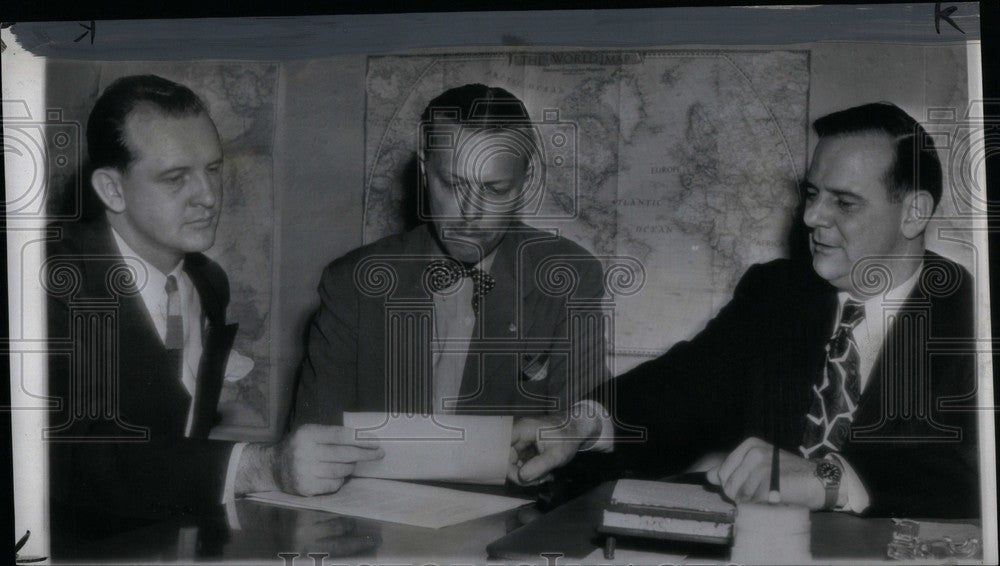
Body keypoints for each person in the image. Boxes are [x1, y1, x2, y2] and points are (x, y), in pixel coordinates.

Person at [510, 102, 980, 518]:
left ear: (914, 211)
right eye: (812, 194)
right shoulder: (776, 293)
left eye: (844, 202)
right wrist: (581, 424)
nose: (811, 217)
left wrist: (829, 479)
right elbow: (682, 387)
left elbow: (968, 473)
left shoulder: (972, 316)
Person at [45, 75, 385, 541]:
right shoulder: (46, 284)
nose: (208, 196)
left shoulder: (207, 282)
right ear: (112, 189)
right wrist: (257, 467)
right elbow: (69, 457)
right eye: (175, 178)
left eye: (213, 169)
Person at [287, 84, 606, 492]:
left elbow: (576, 436)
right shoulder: (351, 282)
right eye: (453, 185)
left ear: (524, 181)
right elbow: (313, 450)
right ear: (424, 169)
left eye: (495, 189)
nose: (471, 214)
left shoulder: (569, 277)